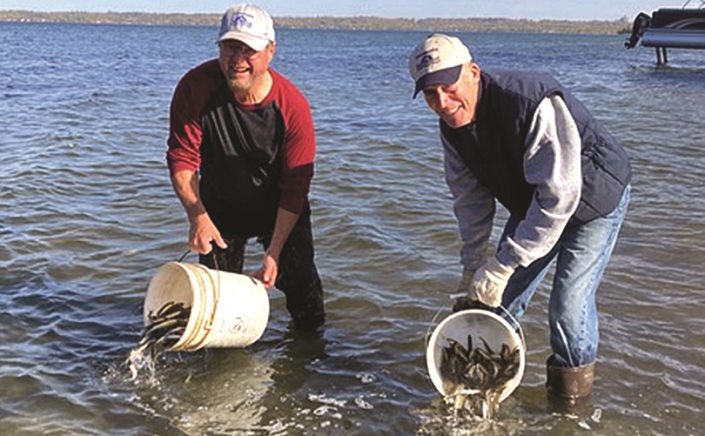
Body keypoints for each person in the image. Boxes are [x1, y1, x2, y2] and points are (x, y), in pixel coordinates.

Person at [408, 34, 631, 405]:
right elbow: (470, 203)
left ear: (473, 72)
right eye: (431, 95)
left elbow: (560, 198)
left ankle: (569, 406)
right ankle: (479, 395)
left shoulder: (530, 102)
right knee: (494, 299)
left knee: (567, 307)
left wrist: (504, 264)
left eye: (449, 87)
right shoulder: (452, 129)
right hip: (536, 202)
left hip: (592, 198)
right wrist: (474, 268)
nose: (443, 103)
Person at [166, 4, 324, 329]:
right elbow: (182, 158)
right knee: (215, 310)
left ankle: (310, 363)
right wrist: (197, 217)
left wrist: (275, 251)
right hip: (218, 209)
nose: (237, 59)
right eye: (230, 47)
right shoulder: (195, 87)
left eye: (248, 49)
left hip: (278, 208)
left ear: (270, 51)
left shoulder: (292, 107)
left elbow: (296, 187)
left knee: (305, 298)